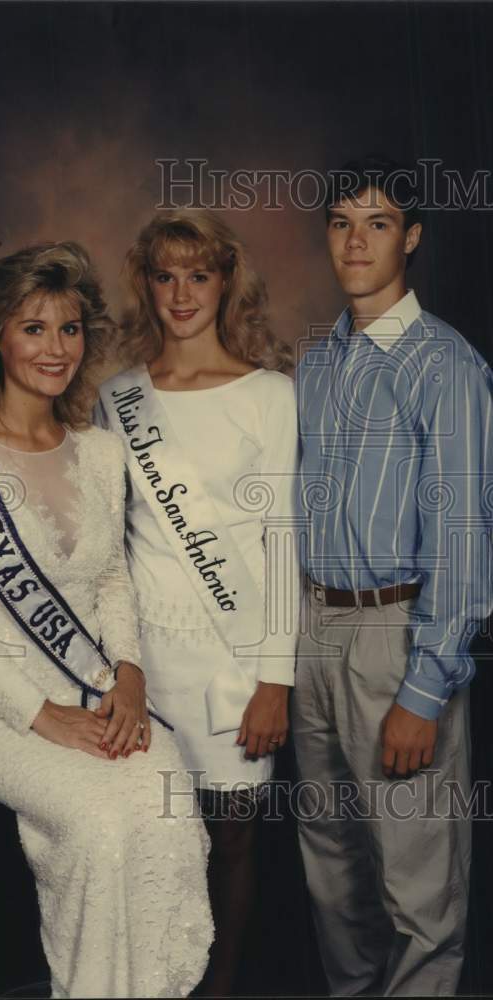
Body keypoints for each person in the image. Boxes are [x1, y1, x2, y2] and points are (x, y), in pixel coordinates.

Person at [0, 240, 213, 999]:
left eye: (69, 329)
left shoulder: (102, 453)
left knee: (167, 811)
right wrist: (44, 716)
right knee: (100, 829)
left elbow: (111, 578)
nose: (54, 347)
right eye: (34, 327)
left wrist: (131, 678)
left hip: (97, 688)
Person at [293, 156, 493, 996]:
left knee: (415, 882)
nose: (355, 240)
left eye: (376, 223)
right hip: (312, 631)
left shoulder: (445, 366)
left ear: (409, 237)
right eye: (340, 222)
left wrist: (425, 688)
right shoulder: (316, 362)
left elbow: (462, 534)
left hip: (397, 634)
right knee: (332, 874)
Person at [96, 210, 301, 996]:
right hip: (145, 665)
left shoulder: (271, 395)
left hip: (236, 661)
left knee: (233, 843)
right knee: (150, 843)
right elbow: (106, 544)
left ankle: (217, 988)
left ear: (225, 282)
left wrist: (275, 680)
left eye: (199, 273)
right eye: (164, 274)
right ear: (145, 286)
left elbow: (282, 543)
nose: (181, 293)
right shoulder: (115, 399)